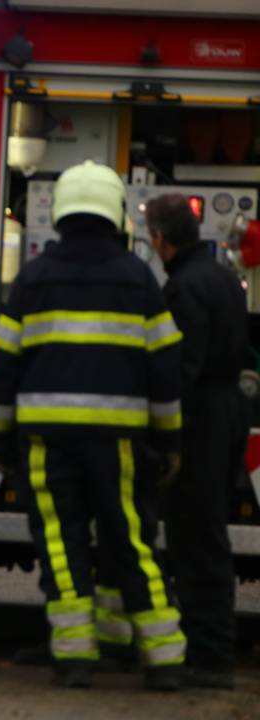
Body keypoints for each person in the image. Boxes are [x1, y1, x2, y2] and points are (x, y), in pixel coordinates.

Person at [0, 160, 187, 690]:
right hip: (117, 440)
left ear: (61, 211)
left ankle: (74, 657)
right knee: (130, 541)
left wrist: (1, 437)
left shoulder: (33, 278)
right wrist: (169, 440)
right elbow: (165, 365)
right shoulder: (137, 277)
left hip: (46, 441)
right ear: (115, 212)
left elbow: (4, 362)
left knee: (61, 542)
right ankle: (165, 659)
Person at [146, 193, 249, 689]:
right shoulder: (223, 277)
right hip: (228, 409)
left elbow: (183, 367)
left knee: (194, 535)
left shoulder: (183, 288)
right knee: (210, 531)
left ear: (160, 238)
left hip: (200, 417)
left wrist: (163, 431)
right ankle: (212, 645)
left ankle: (207, 655)